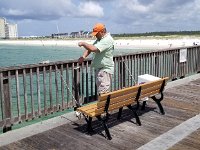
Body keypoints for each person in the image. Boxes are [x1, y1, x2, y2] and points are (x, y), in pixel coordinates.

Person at [78, 23, 114, 94]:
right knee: (101, 92)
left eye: (96, 34)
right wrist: (83, 57)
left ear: (102, 31)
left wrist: (83, 43)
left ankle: (103, 105)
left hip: (105, 70)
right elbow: (90, 48)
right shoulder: (100, 39)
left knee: (103, 93)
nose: (95, 36)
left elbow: (93, 48)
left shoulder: (107, 40)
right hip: (101, 70)